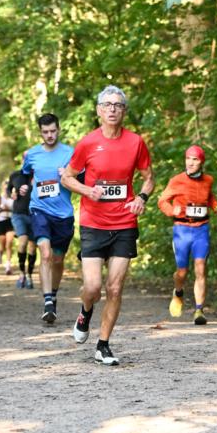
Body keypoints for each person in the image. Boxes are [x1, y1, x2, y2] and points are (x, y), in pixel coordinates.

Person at [61, 85, 154, 366]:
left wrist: (141, 197)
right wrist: (87, 191)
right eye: (107, 104)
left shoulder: (136, 142)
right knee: (93, 287)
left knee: (114, 288)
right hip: (93, 222)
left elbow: (149, 177)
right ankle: (85, 312)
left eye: (118, 105)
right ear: (99, 111)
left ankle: (103, 345)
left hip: (125, 222)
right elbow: (67, 177)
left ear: (124, 111)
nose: (113, 109)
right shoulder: (88, 143)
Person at [157, 144, 217, 324]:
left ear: (201, 162)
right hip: (181, 229)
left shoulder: (208, 180)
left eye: (195, 159)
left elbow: (209, 197)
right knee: (182, 272)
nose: (190, 163)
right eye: (188, 158)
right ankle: (178, 292)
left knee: (201, 267)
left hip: (201, 229)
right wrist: (173, 210)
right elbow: (162, 201)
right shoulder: (176, 180)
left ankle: (199, 311)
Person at [22, 115, 75, 323]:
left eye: (53, 131)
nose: (50, 135)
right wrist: (23, 186)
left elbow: (85, 179)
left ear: (58, 130)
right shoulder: (32, 154)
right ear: (40, 133)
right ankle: (47, 303)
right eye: (45, 132)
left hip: (63, 214)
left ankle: (53, 294)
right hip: (39, 209)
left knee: (58, 259)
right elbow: (24, 174)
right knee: (45, 253)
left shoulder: (70, 153)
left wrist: (69, 175)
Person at [8, 164, 36, 288]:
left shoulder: (38, 174)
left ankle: (29, 275)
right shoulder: (15, 175)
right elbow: (9, 189)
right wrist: (11, 194)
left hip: (35, 214)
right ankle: (21, 273)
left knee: (32, 246)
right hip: (18, 214)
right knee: (23, 241)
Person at [0, 185, 15, 273]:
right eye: (5, 187)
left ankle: (8, 265)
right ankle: (0, 253)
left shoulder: (14, 198)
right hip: (1, 221)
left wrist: (9, 209)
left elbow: (18, 210)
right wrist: (0, 209)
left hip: (11, 221)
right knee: (2, 244)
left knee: (9, 244)